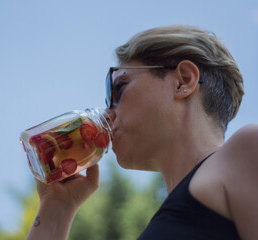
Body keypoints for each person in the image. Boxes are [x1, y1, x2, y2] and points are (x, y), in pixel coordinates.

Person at [26, 25, 258, 239]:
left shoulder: (249, 148)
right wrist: (57, 207)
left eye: (118, 88)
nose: (107, 113)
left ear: (183, 81)